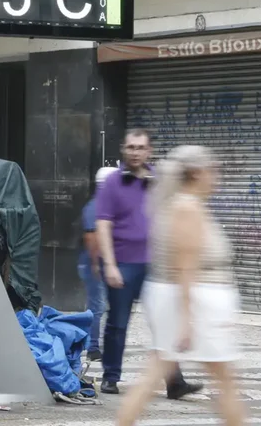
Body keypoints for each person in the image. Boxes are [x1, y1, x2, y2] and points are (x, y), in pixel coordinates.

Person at [117, 145, 244, 426]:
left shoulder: (180, 204)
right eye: (213, 170)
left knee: (156, 372)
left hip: (181, 298)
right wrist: (187, 320)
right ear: (196, 173)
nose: (217, 176)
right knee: (224, 380)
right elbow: (186, 266)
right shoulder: (187, 208)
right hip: (195, 301)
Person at [95, 129, 201, 398]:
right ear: (123, 149)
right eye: (131, 147)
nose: (135, 152)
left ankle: (174, 382)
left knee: (163, 323)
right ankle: (110, 378)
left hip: (156, 266)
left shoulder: (159, 181)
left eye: (140, 147)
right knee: (118, 323)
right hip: (124, 265)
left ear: (149, 151)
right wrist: (109, 264)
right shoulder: (113, 183)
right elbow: (103, 225)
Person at [77, 166, 117, 362]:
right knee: (97, 306)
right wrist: (95, 264)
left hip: (96, 262)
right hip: (93, 263)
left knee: (97, 305)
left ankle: (89, 343)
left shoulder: (102, 205)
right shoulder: (97, 206)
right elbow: (92, 237)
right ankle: (92, 347)